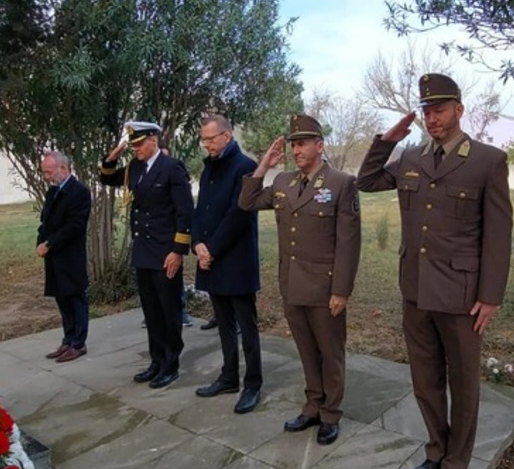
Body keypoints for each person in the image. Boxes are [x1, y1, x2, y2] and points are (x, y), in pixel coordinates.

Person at [357, 72, 513, 469]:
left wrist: (490, 296)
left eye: (439, 110)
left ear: (459, 110)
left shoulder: (487, 160)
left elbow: (499, 234)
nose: (432, 118)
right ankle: (436, 448)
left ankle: (457, 458)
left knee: (463, 382)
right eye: (427, 111)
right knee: (425, 379)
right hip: (416, 289)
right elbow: (366, 181)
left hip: (462, 294)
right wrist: (386, 140)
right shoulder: (410, 157)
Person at [239, 114, 360, 445]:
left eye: (302, 143)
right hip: (291, 283)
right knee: (307, 351)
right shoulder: (283, 182)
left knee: (330, 352)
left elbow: (349, 244)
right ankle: (313, 406)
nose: (296, 150)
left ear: (319, 146)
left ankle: (331, 414)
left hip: (324, 287)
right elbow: (247, 201)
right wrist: (264, 164)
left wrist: (341, 290)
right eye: (293, 144)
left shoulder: (340, 183)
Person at [100, 122, 194, 389]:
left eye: (140, 144)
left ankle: (171, 363)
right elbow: (107, 178)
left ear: (153, 139)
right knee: (151, 310)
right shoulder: (134, 167)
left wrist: (178, 251)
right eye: (133, 145)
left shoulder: (171, 168)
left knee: (169, 309)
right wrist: (112, 157)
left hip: (165, 251)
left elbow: (184, 212)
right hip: (143, 250)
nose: (137, 149)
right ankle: (156, 360)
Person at [191, 115, 263, 414]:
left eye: (211, 138)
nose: (206, 144)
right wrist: (198, 244)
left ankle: (253, 384)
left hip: (235, 258)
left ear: (227, 136)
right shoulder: (209, 167)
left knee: (246, 326)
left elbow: (238, 215)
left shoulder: (245, 167)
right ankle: (229, 376)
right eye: (203, 139)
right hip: (210, 257)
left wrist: (213, 249)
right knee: (222, 322)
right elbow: (200, 209)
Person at [37, 151, 92, 363]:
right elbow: (46, 221)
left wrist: (49, 244)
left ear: (63, 168)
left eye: (49, 172)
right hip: (53, 256)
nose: (47, 177)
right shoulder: (53, 192)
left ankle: (78, 343)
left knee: (75, 297)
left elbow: (74, 226)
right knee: (62, 298)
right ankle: (68, 339)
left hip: (70, 254)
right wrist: (40, 242)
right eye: (44, 172)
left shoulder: (79, 192)